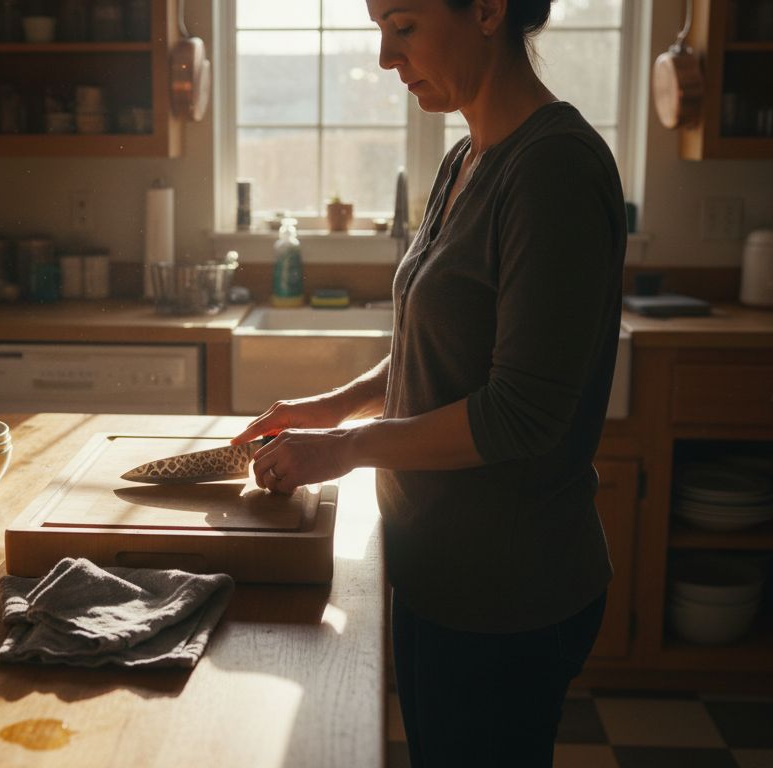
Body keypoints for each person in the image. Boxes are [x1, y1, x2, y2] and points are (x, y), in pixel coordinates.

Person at [230, 0, 626, 764]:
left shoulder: (554, 168)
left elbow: (521, 413)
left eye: (403, 26)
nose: (385, 57)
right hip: (434, 566)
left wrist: (343, 449)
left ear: (485, 10)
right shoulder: (465, 157)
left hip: (507, 591)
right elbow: (438, 347)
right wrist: (330, 406)